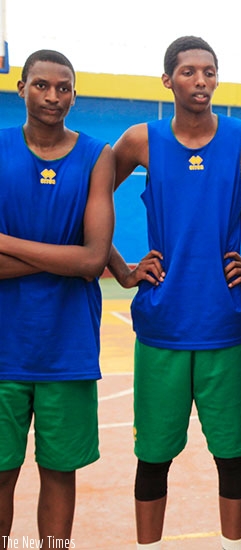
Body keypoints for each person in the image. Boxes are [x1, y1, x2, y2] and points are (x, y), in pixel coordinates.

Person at [106, 36, 241, 550]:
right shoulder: (140, 140)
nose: (201, 81)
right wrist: (120, 267)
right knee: (154, 456)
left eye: (209, 71)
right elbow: (91, 199)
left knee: (231, 455)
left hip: (224, 319)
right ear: (167, 80)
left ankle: (233, 543)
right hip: (161, 320)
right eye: (188, 72)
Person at [0, 50, 114, 544]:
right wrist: (65, 256)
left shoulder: (96, 155)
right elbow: (81, 258)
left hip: (66, 349)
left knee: (58, 474)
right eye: (42, 85)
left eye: (63, 87)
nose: (52, 96)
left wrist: (4, 243)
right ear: (21, 87)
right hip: (4, 349)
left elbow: (93, 262)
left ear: (74, 93)